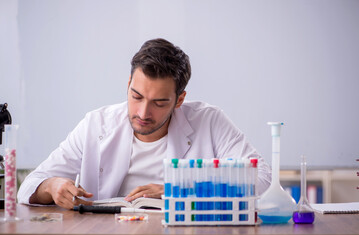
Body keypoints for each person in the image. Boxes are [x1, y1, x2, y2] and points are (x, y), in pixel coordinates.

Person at [18, 38, 271, 209]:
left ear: (180, 99)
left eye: (159, 103)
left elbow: (263, 179)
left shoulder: (209, 121)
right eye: (136, 96)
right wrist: (52, 186)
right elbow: (29, 186)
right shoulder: (96, 124)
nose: (143, 112)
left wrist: (178, 190)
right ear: (128, 84)